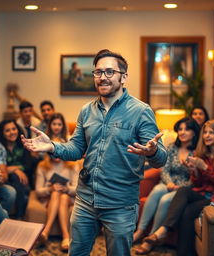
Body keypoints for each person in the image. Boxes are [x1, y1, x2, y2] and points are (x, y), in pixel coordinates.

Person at [21, 49, 167, 256]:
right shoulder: (86, 111)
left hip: (120, 203)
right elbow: (76, 149)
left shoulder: (141, 111)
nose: (103, 78)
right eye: (98, 72)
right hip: (85, 200)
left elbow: (161, 159)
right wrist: (52, 146)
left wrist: (152, 152)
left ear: (123, 77)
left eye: (109, 72)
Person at [143, 119, 214, 256]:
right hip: (202, 193)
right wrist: (194, 171)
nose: (207, 135)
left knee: (187, 210)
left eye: (211, 133)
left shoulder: (205, 158)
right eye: (205, 132)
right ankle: (162, 233)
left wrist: (205, 168)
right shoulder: (203, 154)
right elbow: (199, 183)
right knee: (181, 197)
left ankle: (163, 233)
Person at [133, 117, 200, 254]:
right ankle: (140, 231)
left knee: (165, 200)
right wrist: (169, 182)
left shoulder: (197, 152)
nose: (182, 132)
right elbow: (165, 169)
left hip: (184, 188)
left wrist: (178, 187)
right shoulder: (172, 147)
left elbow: (195, 178)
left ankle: (151, 238)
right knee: (157, 189)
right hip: (167, 183)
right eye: (180, 129)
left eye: (186, 129)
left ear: (194, 132)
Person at [0, 119, 33, 219]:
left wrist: (13, 169)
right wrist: (14, 170)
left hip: (23, 180)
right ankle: (19, 216)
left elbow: (28, 165)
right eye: (7, 130)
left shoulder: (23, 145)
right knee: (15, 177)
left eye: (14, 129)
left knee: (17, 179)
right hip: (5, 180)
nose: (12, 132)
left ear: (18, 130)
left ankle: (18, 216)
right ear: (2, 133)